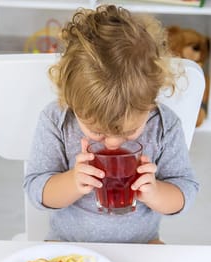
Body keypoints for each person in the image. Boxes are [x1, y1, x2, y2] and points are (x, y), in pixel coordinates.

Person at [24, 5, 199, 243]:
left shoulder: (164, 126)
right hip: (69, 241)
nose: (114, 143)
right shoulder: (58, 121)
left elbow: (185, 191)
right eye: (96, 131)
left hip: (141, 243)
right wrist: (72, 182)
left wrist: (155, 192)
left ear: (150, 103)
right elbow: (36, 190)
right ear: (72, 103)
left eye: (129, 133)